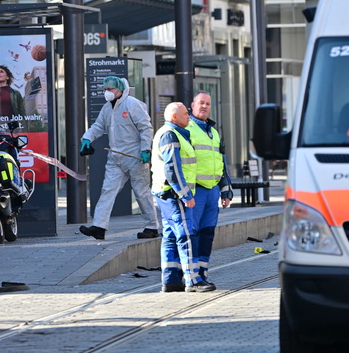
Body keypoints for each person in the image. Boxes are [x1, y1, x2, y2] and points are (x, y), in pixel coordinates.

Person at [78, 75, 159, 240]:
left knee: (141, 192)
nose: (107, 92)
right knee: (107, 190)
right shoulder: (107, 108)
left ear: (121, 90)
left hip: (135, 156)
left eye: (110, 89)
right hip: (116, 157)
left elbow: (145, 128)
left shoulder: (132, 105)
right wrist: (87, 138)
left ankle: (152, 226)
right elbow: (98, 126)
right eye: (105, 89)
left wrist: (145, 150)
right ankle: (99, 227)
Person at [151, 102, 209, 292]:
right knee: (187, 234)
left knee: (169, 235)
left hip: (165, 193)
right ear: (174, 117)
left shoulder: (171, 132)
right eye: (185, 114)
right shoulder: (170, 134)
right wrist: (185, 194)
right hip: (174, 194)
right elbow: (172, 168)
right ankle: (193, 281)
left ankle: (170, 280)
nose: (189, 116)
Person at [187, 91, 234, 291]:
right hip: (195, 191)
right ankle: (193, 277)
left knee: (207, 233)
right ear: (192, 105)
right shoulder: (186, 128)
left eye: (207, 103)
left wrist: (226, 191)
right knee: (193, 233)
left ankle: (203, 273)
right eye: (200, 103)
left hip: (212, 191)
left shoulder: (213, 132)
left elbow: (221, 164)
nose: (204, 106)